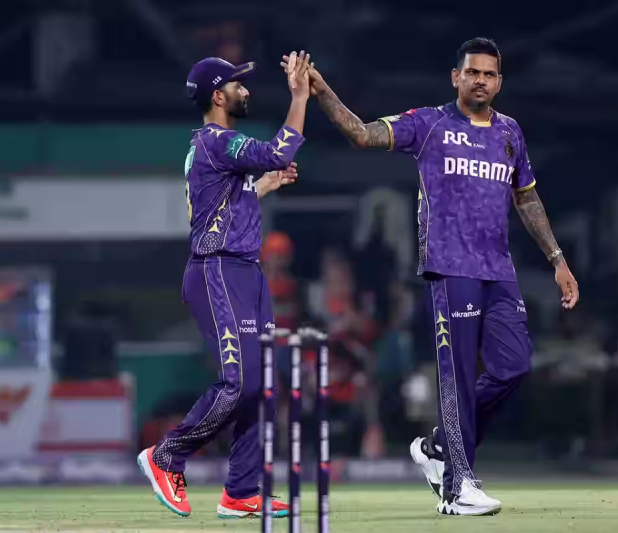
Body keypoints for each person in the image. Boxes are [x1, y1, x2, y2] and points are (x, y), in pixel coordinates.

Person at [291, 37, 579, 516]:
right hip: (449, 268)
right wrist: (321, 91)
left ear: (499, 82)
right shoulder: (429, 124)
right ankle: (457, 486)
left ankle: (439, 447)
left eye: (489, 74)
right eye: (473, 72)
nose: (480, 80)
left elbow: (526, 197)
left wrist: (557, 259)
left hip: (499, 270)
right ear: (456, 77)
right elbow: (362, 134)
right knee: (458, 378)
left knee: (514, 367)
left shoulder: (510, 132)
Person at [137, 51, 312, 519]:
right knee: (238, 384)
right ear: (218, 96)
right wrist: (299, 97)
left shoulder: (212, 150)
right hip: (217, 270)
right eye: (238, 84)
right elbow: (278, 151)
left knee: (262, 385)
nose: (246, 90)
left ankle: (241, 491)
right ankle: (166, 456)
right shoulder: (217, 140)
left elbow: (223, 208)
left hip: (244, 272)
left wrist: (264, 187)